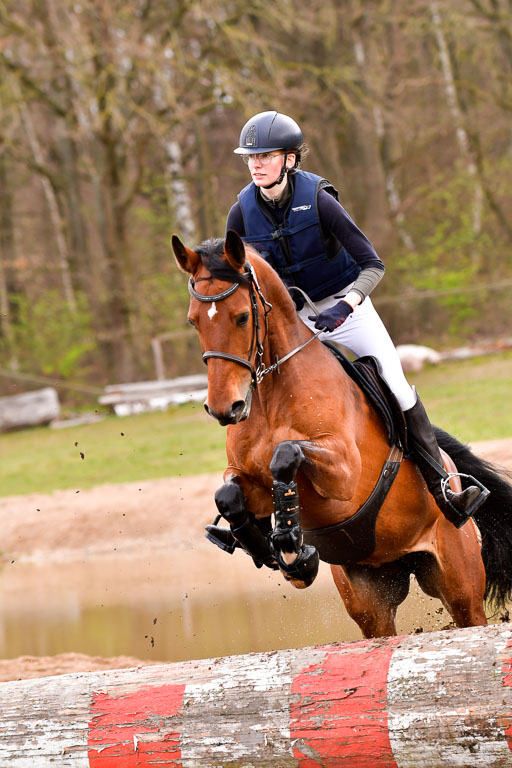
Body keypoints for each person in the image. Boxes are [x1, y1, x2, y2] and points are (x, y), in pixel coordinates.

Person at [225, 110, 487, 528]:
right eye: (250, 157)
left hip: (347, 308)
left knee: (396, 384)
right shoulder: (240, 212)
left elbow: (372, 264)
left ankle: (443, 488)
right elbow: (233, 276)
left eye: (266, 155)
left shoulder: (320, 201)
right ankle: (249, 514)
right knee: (257, 396)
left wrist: (346, 304)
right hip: (290, 324)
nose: (256, 164)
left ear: (290, 159)